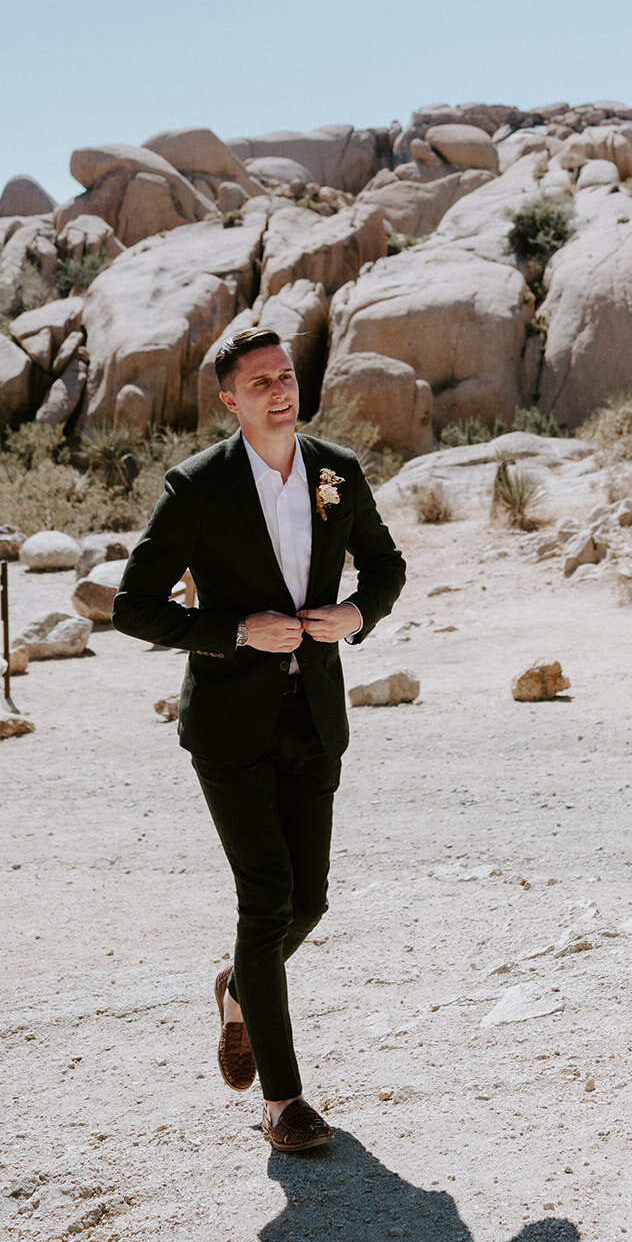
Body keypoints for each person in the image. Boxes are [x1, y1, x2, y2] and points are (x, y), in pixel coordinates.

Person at [113, 327, 406, 1152]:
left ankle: (240, 986)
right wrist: (238, 631)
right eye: (261, 382)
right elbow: (135, 605)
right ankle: (284, 1103)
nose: (280, 390)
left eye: (287, 376)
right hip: (229, 726)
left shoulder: (336, 472)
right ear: (229, 399)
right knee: (267, 894)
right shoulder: (196, 488)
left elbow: (384, 568)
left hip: (315, 713)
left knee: (307, 899)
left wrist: (356, 614)